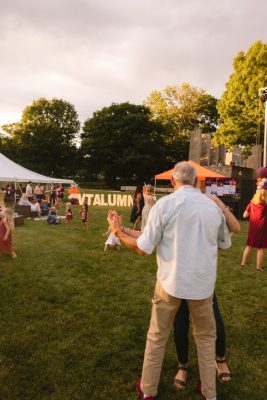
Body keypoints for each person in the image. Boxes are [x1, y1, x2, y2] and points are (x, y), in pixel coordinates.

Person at [107, 161, 240, 400]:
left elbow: (143, 249)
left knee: (157, 337)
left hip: (170, 283)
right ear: (198, 181)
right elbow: (225, 242)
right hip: (202, 285)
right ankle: (210, 393)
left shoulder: (164, 205)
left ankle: (148, 390)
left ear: (172, 181)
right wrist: (123, 230)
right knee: (206, 339)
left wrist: (117, 231)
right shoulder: (212, 208)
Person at [173, 193, 240, 390]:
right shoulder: (174, 218)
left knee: (215, 327)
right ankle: (183, 366)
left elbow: (235, 227)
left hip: (203, 286)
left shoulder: (209, 223)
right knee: (179, 328)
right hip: (179, 285)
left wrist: (218, 202)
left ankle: (220, 360)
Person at [241, 186, 267, 272]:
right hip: (262, 228)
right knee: (260, 248)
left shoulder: (251, 204)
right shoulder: (265, 205)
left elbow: (244, 215)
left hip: (253, 227)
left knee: (249, 246)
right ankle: (258, 267)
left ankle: (243, 263)